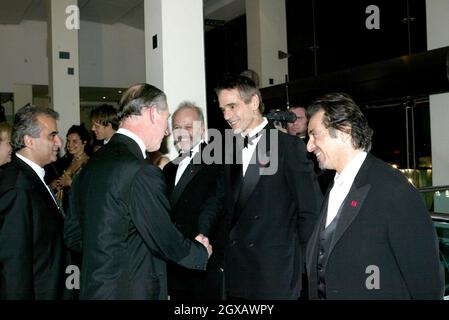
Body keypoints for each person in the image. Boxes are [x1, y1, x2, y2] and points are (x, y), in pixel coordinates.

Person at [67, 83, 212, 300]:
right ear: (153, 113)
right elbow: (162, 236)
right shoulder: (141, 171)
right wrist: (199, 253)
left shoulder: (91, 165)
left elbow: (73, 234)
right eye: (167, 118)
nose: (167, 131)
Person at [305, 92, 444, 299]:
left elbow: (426, 281)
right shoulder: (334, 186)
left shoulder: (394, 189)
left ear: (344, 131)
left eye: (315, 134)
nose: (309, 145)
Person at [215, 75, 322, 300]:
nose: (226, 116)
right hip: (237, 272)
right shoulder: (229, 149)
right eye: (223, 108)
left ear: (254, 102)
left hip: (275, 274)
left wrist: (300, 264)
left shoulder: (288, 147)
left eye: (232, 106)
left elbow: (310, 210)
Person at [0, 106, 66, 299]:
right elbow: (13, 264)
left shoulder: (31, 178)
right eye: (51, 136)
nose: (58, 142)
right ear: (29, 141)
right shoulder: (17, 188)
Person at [163, 101, 225, 300]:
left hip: (204, 262)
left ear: (203, 128)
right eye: (177, 127)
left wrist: (202, 236)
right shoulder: (169, 169)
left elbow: (214, 204)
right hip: (174, 264)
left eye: (188, 127)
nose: (182, 132)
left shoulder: (219, 161)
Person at [49, 124, 91, 212]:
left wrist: (71, 183)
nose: (70, 145)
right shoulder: (65, 161)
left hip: (79, 210)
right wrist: (53, 184)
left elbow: (91, 189)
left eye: (74, 141)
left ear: (84, 142)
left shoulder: (90, 163)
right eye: (68, 141)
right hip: (63, 209)